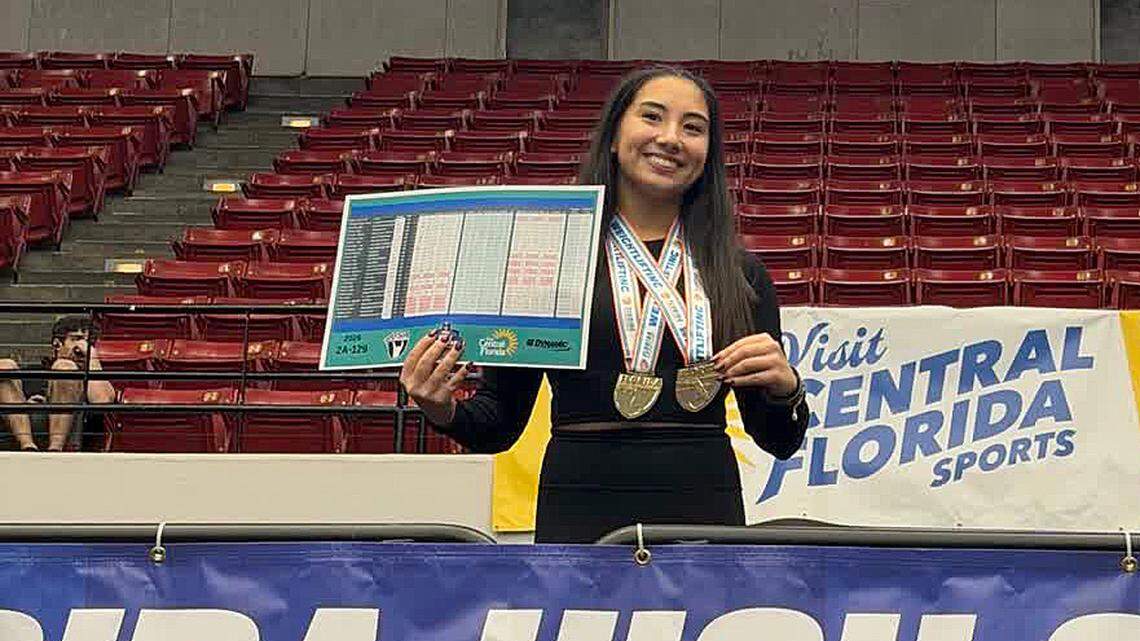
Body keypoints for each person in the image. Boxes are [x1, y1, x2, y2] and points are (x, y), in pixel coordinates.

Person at [400, 66, 809, 543]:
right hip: (578, 509)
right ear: (615, 136)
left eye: (693, 127)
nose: (671, 138)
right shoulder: (547, 263)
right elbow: (497, 425)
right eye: (652, 117)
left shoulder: (741, 274)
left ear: (708, 156)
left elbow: (778, 439)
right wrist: (440, 407)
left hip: (705, 510)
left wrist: (787, 389)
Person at [0, 315, 115, 451]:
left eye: (89, 342)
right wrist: (25, 405)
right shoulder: (31, 373)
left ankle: (55, 449)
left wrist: (92, 359)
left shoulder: (94, 377)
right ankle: (27, 446)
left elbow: (102, 401)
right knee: (4, 366)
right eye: (76, 339)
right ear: (57, 344)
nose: (82, 347)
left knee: (65, 367)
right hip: (17, 442)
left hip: (72, 445)